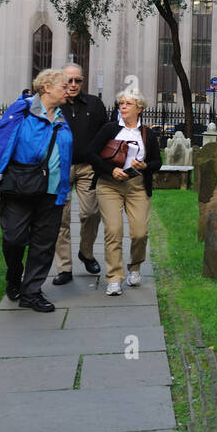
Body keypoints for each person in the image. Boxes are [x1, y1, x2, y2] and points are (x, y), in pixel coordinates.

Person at [0, 69, 73, 313]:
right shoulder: (22, 110)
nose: (69, 89)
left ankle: (31, 292)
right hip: (21, 185)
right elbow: (4, 140)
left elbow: (64, 158)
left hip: (52, 190)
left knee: (43, 243)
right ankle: (14, 275)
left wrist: (64, 191)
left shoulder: (63, 118)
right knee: (14, 237)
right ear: (46, 88)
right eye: (64, 85)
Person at [88, 90, 162, 296]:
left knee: (139, 233)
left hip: (137, 185)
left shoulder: (148, 134)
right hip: (109, 184)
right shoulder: (110, 129)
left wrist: (145, 164)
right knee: (113, 230)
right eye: (121, 103)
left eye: (128, 103)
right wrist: (110, 169)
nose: (123, 106)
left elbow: (158, 162)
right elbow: (91, 153)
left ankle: (135, 267)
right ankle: (113, 277)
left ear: (139, 108)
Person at [52, 62, 108, 285]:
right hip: (61, 168)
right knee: (61, 219)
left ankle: (86, 252)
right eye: (69, 80)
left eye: (78, 80)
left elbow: (106, 134)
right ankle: (64, 268)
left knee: (91, 213)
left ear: (83, 82)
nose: (73, 85)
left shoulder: (94, 104)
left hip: (88, 167)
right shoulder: (55, 104)